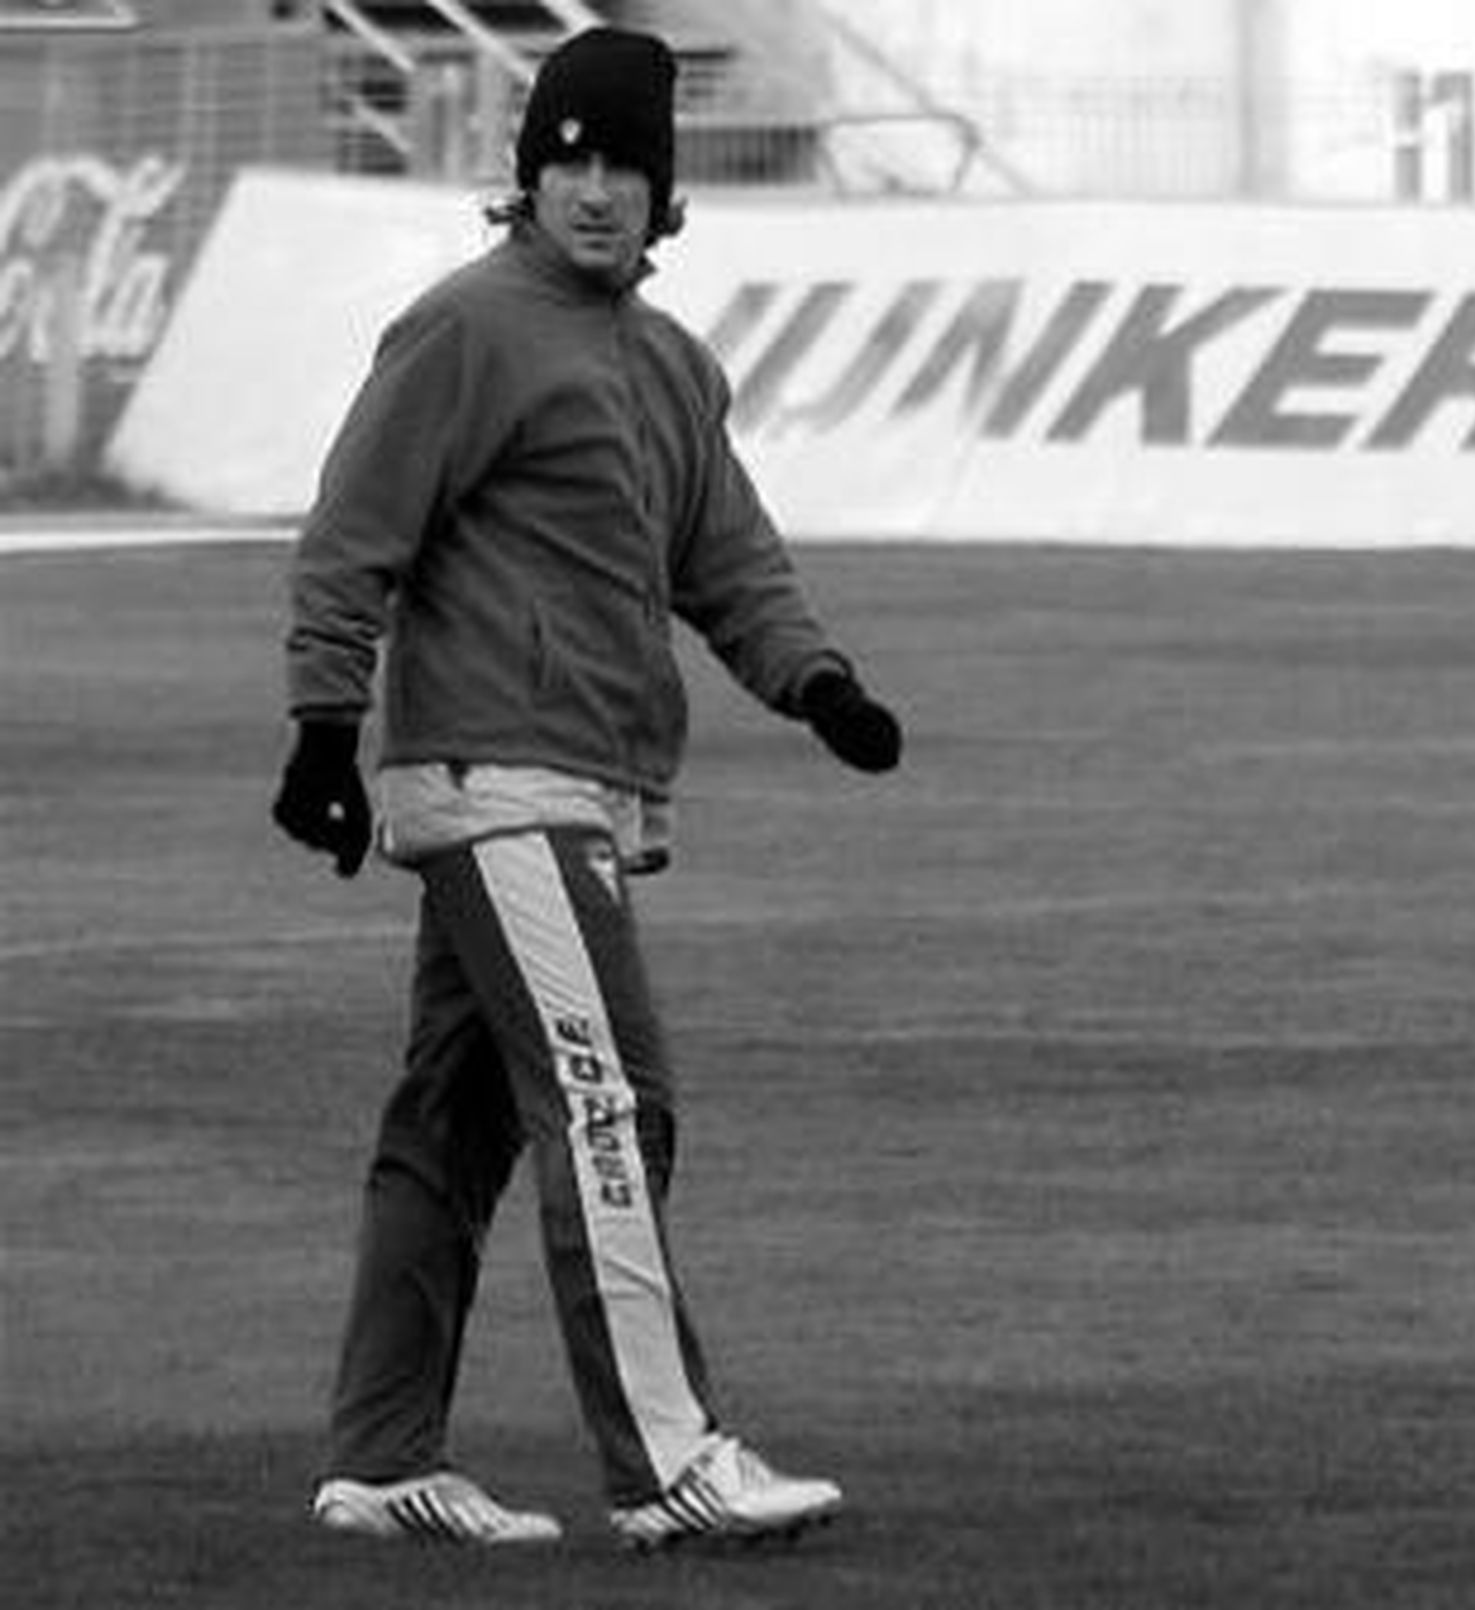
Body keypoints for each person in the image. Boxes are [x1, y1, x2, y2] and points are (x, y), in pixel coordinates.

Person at [270, 26, 902, 1553]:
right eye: (571, 162)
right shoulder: (465, 329)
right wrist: (322, 725)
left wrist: (816, 683)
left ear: (664, 190)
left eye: (625, 165)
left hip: (583, 787)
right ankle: (667, 1459)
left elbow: (728, 558)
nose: (598, 190)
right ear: (529, 177)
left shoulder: (672, 365)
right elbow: (353, 533)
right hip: (498, 777)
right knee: (613, 1098)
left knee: (451, 1122)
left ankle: (380, 1460)